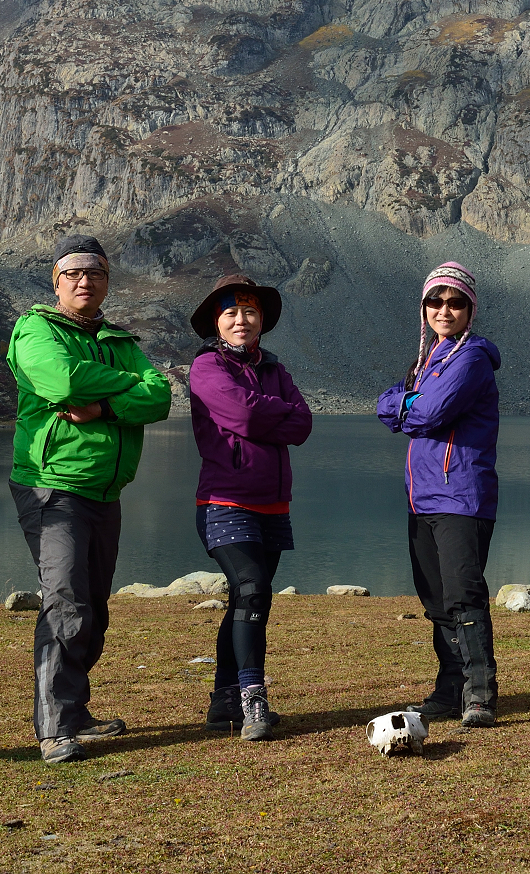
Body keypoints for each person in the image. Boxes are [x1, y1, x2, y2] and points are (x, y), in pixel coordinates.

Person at [6, 235, 172, 764]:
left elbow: (161, 396)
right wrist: (128, 386)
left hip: (105, 490)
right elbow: (61, 381)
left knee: (94, 606)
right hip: (52, 484)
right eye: (73, 274)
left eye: (95, 273)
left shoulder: (119, 340)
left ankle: (75, 712)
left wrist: (102, 407)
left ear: (106, 282)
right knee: (66, 599)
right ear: (55, 282)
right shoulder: (35, 329)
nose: (85, 282)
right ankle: (54, 726)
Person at [188, 273, 313, 741]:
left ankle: (223, 702)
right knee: (253, 589)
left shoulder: (276, 370)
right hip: (225, 501)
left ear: (261, 319)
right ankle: (252, 697)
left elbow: (302, 424)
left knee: (247, 600)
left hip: (273, 505)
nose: (241, 319)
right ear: (216, 321)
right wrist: (270, 412)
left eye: (249, 311)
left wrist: (257, 412)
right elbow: (241, 412)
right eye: (231, 312)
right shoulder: (206, 367)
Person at [377, 262, 503, 728]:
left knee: (463, 594)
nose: (444, 310)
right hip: (423, 497)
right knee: (435, 600)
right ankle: (450, 690)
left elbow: (428, 414)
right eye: (435, 301)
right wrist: (409, 402)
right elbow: (385, 406)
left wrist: (407, 404)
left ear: (471, 310)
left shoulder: (471, 359)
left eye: (455, 303)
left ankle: (480, 693)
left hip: (461, 495)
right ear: (424, 307)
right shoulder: (426, 361)